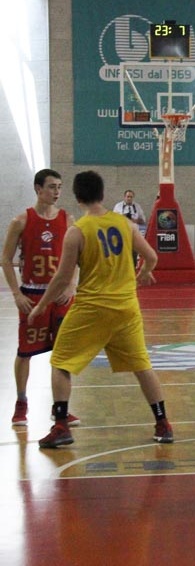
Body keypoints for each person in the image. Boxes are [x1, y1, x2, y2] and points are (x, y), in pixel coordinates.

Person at [27, 170, 174, 448]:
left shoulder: (77, 231)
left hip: (92, 309)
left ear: (77, 197)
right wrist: (144, 272)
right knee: (142, 367)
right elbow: (152, 257)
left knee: (60, 362)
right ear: (103, 194)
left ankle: (61, 426)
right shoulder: (125, 224)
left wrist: (41, 305)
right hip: (126, 308)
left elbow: (62, 278)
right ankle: (163, 423)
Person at [1, 169, 80, 426]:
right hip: (32, 294)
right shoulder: (21, 220)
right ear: (38, 189)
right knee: (24, 351)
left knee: (63, 353)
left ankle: (60, 407)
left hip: (60, 296)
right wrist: (16, 293)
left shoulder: (67, 219)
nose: (57, 192)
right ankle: (21, 402)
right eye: (52, 187)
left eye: (59, 187)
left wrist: (71, 286)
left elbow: (76, 257)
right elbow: (5, 259)